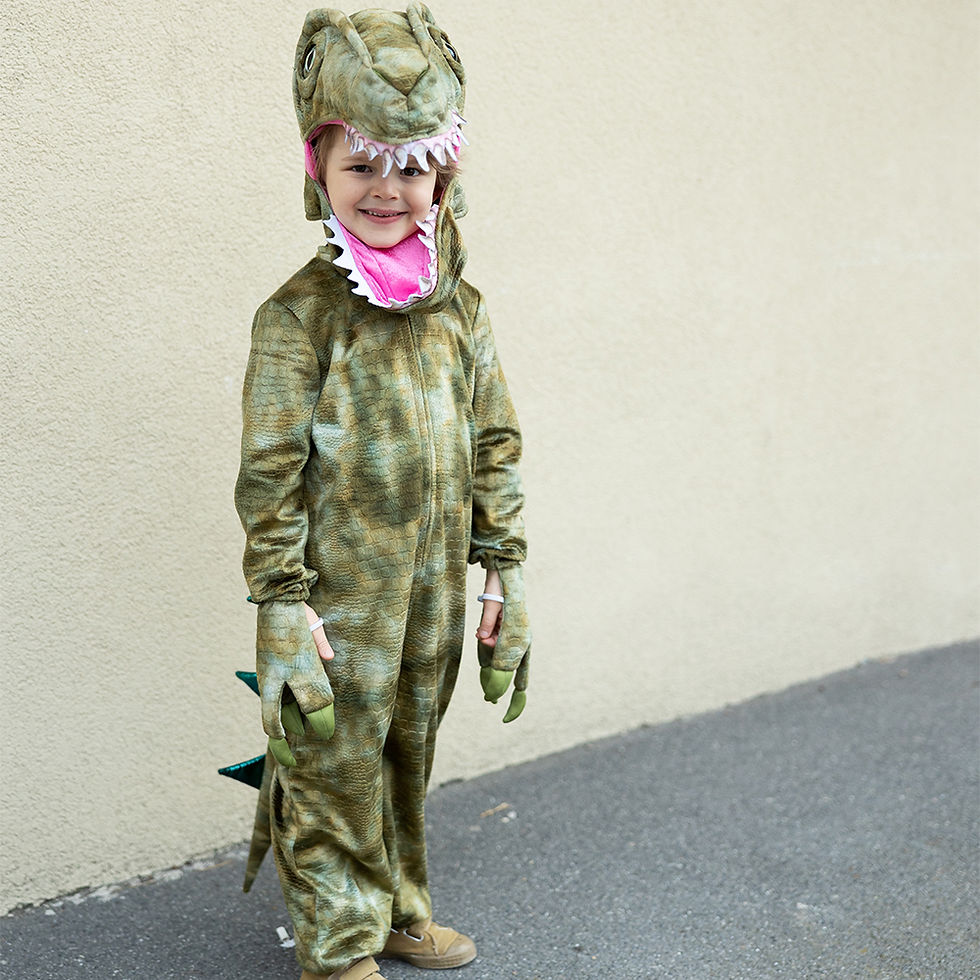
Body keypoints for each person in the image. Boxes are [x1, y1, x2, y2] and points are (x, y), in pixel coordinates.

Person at [233, 6, 532, 979]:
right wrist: (282, 601)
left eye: (410, 167)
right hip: (339, 600)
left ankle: (399, 907)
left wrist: (504, 573)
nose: (386, 188)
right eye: (361, 163)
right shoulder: (298, 318)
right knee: (333, 761)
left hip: (432, 588)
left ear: (444, 175)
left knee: (407, 751)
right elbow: (270, 468)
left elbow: (494, 440)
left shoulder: (461, 311)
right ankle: (336, 945)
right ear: (317, 168)